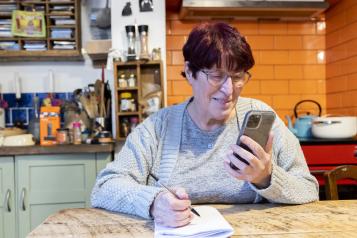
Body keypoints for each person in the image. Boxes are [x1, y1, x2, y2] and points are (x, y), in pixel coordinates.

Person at [91, 22, 319, 228]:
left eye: (237, 76)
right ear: (190, 72)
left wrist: (266, 177)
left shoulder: (262, 118)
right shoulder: (158, 127)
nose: (229, 90)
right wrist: (153, 202)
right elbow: (105, 187)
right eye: (216, 76)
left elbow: (309, 189)